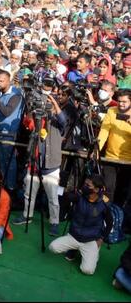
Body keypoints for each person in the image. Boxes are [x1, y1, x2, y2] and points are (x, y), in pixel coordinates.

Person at [12, 89, 67, 236]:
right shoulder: (37, 119)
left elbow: (63, 120)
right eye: (45, 102)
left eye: (49, 103)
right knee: (29, 194)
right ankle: (27, 215)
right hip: (34, 164)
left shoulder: (57, 121)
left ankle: (54, 223)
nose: (46, 105)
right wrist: (32, 107)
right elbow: (27, 122)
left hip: (51, 165)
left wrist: (54, 104)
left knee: (53, 199)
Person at [49, 175, 113, 275]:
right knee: (53, 247)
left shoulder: (104, 204)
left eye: (88, 185)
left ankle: (94, 252)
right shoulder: (79, 196)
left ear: (96, 189)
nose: (85, 186)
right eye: (85, 184)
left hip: (91, 240)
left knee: (87, 270)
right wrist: (72, 192)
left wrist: (102, 239)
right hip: (74, 236)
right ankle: (74, 249)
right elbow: (67, 197)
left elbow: (110, 223)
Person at [97, 90, 131, 230]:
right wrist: (97, 149)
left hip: (128, 161)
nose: (121, 104)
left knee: (123, 192)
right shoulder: (112, 110)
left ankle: (117, 223)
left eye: (125, 102)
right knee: (108, 188)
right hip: (110, 157)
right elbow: (104, 130)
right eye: (120, 101)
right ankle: (104, 221)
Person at [0, 69, 24, 192]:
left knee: (10, 162)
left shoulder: (16, 95)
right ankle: (3, 184)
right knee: (1, 160)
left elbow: (7, 112)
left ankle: (11, 187)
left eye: (1, 81)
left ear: (8, 81)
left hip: (9, 132)